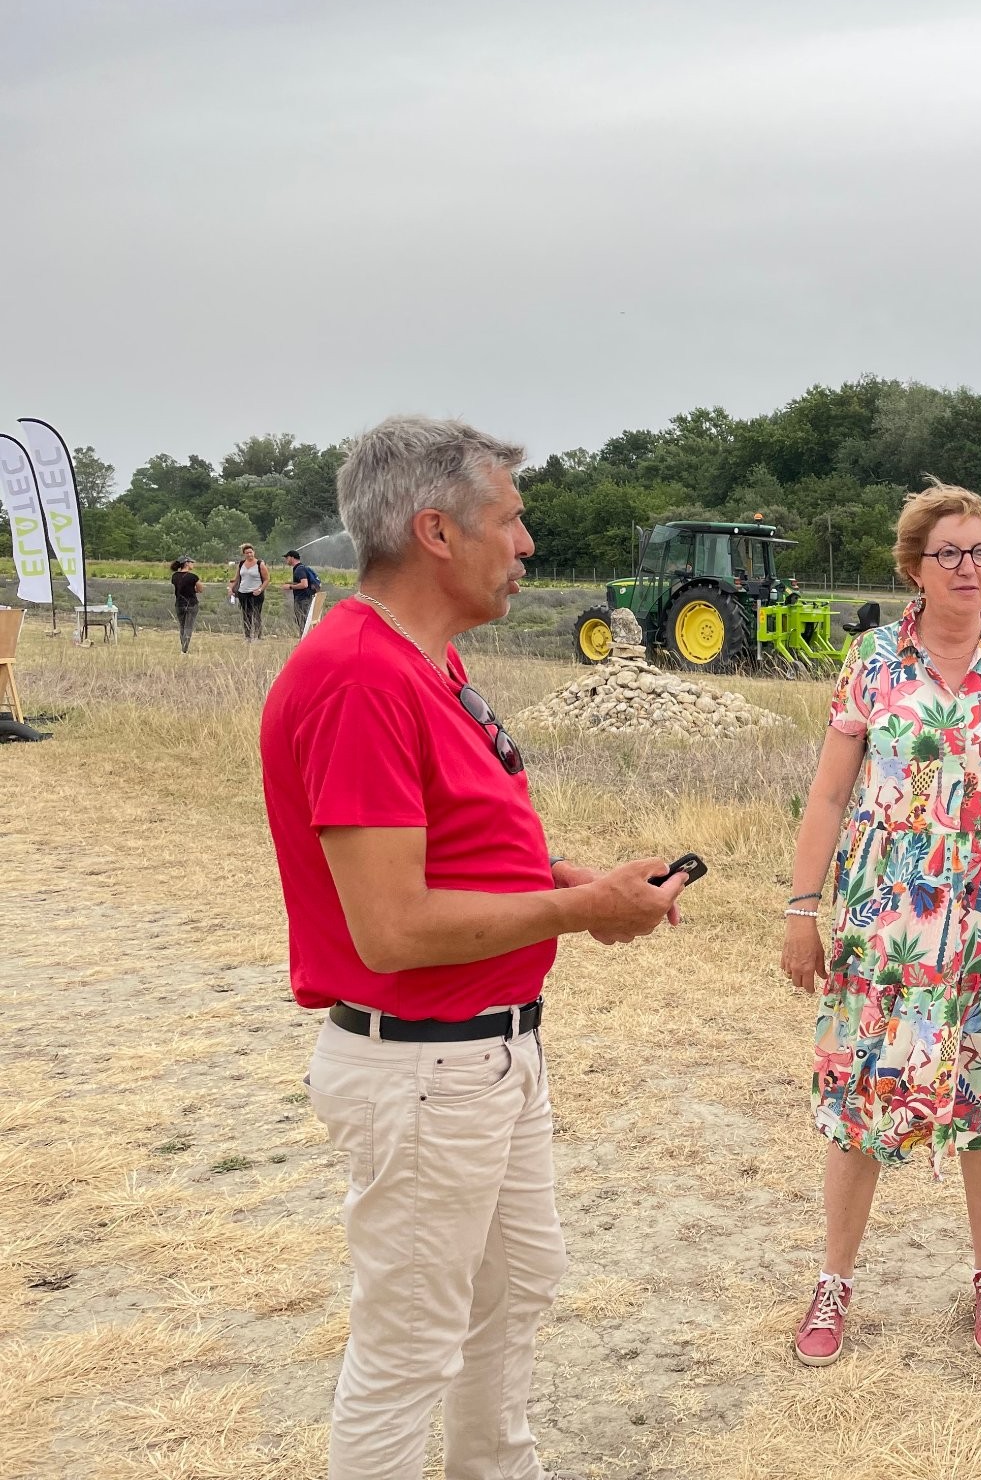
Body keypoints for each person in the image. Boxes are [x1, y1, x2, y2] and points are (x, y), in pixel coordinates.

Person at [260, 415, 691, 1480]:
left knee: (515, 1291)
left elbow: (454, 849)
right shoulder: (363, 675)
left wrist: (575, 881)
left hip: (479, 1058)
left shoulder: (426, 665)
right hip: (423, 1068)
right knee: (408, 1350)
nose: (528, 543)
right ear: (436, 532)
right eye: (511, 518)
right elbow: (393, 927)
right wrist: (581, 910)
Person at [780, 483, 981, 1367]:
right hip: (886, 918)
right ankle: (834, 1283)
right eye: (950, 553)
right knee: (862, 1097)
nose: (970, 567)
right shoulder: (871, 660)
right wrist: (802, 907)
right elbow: (831, 792)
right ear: (914, 566)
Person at [232, 542, 268, 640]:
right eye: (247, 553)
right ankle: (247, 636)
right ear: (244, 554)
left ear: (254, 552)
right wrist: (231, 588)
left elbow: (266, 579)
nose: (249, 554)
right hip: (243, 592)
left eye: (251, 552)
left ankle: (258, 635)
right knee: (246, 614)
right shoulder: (241, 564)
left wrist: (260, 589)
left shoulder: (260, 564)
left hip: (256, 593)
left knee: (256, 614)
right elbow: (236, 578)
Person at [285, 548, 324, 637]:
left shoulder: (299, 569)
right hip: (307, 598)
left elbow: (304, 584)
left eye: (287, 558)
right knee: (305, 621)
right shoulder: (302, 568)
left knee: (303, 621)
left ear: (292, 558)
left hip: (302, 600)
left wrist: (290, 587)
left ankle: (304, 641)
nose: (286, 560)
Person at [171, 557, 203, 652]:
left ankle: (183, 646)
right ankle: (184, 649)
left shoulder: (175, 576)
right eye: (191, 562)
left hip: (179, 604)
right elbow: (200, 589)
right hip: (191, 604)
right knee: (188, 626)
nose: (192, 564)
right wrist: (194, 590)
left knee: (182, 626)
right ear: (186, 564)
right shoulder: (193, 577)